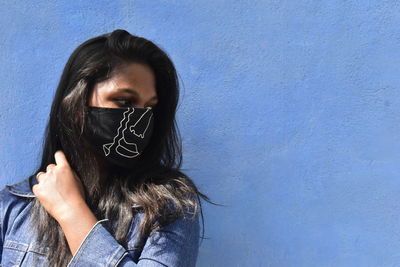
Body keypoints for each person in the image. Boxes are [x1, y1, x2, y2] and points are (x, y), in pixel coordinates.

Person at [0, 29, 214, 267]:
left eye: (149, 108)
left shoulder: (168, 206)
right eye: (124, 101)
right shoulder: (13, 207)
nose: (139, 122)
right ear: (76, 104)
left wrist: (71, 212)